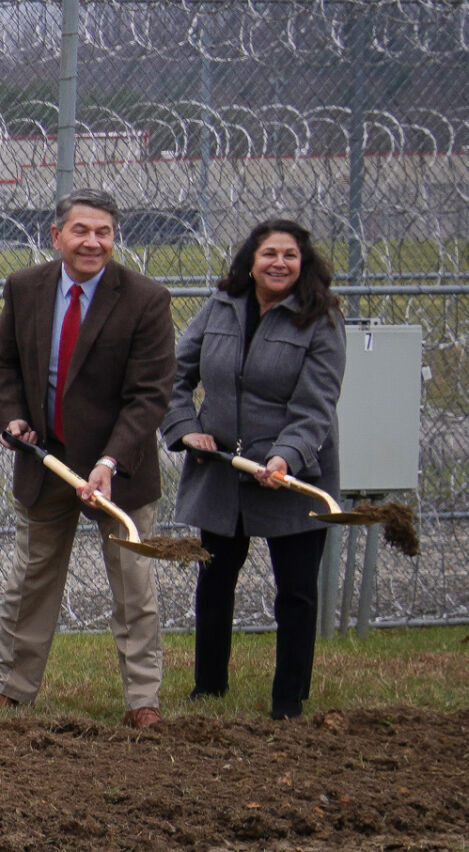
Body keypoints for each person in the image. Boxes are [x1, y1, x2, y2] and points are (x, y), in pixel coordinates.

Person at [0, 187, 176, 730]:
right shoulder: (25, 288)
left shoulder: (145, 300)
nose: (93, 242)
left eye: (104, 232)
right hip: (46, 463)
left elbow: (150, 395)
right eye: (82, 231)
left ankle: (142, 701)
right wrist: (13, 417)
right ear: (57, 235)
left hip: (120, 470)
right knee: (31, 580)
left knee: (134, 585)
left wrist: (109, 462)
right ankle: (11, 688)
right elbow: (3, 366)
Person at [161, 219, 344, 720]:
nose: (279, 263)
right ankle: (209, 687)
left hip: (291, 473)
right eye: (269, 254)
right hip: (222, 468)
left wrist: (285, 457)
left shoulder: (320, 319)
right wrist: (184, 426)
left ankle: (288, 700)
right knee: (215, 582)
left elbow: (316, 406)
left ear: (303, 264)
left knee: (296, 590)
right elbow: (174, 374)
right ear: (251, 259)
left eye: (290, 255)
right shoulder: (221, 306)